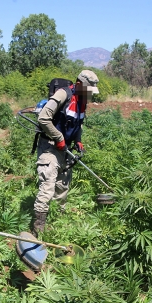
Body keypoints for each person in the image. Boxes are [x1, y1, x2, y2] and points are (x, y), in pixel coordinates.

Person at [32, 70, 99, 237]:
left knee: (62, 188)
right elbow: (43, 118)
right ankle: (38, 232)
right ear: (78, 85)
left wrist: (78, 140)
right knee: (47, 188)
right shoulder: (64, 95)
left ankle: (57, 227)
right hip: (50, 146)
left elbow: (78, 123)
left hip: (65, 149)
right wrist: (58, 137)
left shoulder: (82, 102)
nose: (90, 95)